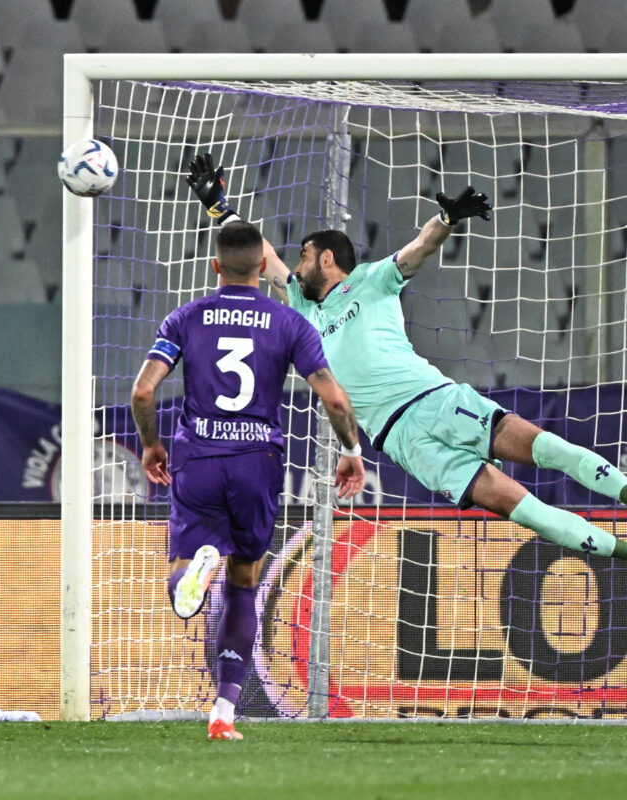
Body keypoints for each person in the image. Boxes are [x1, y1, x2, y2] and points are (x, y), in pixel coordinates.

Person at [186, 152, 627, 562]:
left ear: (326, 258)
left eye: (302, 257)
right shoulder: (303, 307)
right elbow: (261, 253)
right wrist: (219, 207)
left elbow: (420, 248)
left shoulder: (371, 279)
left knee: (552, 450)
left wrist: (447, 218)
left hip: (437, 400)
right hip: (402, 442)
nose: (294, 268)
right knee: (524, 509)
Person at [131, 221, 364, 740]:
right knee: (244, 583)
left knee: (184, 578)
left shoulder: (186, 318)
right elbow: (333, 398)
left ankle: (195, 570)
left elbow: (144, 393)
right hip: (257, 462)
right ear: (264, 267)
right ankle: (224, 712)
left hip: (200, 459)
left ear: (215, 266)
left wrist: (151, 444)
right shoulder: (288, 322)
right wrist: (351, 450)